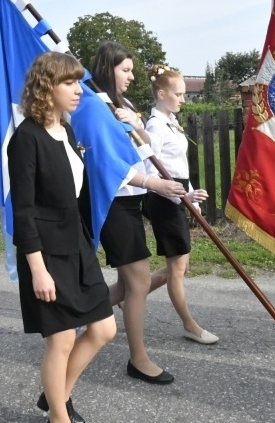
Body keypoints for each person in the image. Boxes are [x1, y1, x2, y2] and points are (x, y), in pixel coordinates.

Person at [9, 51, 116, 423]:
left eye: (78, 82)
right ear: (46, 86)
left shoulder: (67, 130)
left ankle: (56, 397)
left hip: (77, 245)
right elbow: (21, 211)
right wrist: (37, 269)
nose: (78, 90)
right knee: (62, 339)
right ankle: (59, 416)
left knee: (104, 328)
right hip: (47, 254)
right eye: (68, 82)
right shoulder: (26, 138)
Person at [88, 41, 186, 384]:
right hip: (113, 202)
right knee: (140, 282)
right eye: (125, 70)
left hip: (132, 201)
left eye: (131, 70)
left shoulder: (122, 104)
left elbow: (147, 149)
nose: (131, 76)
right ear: (107, 68)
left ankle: (77, 319)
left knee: (128, 283)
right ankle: (138, 359)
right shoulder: (93, 106)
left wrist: (137, 125)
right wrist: (155, 184)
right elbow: (104, 163)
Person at [142, 64, 218, 345]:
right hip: (163, 201)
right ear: (162, 94)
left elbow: (177, 167)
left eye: (184, 94)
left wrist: (191, 196)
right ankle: (190, 325)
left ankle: (130, 294)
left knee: (180, 267)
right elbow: (152, 172)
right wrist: (180, 195)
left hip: (178, 196)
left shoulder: (171, 122)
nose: (184, 99)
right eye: (179, 93)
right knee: (177, 268)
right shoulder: (154, 126)